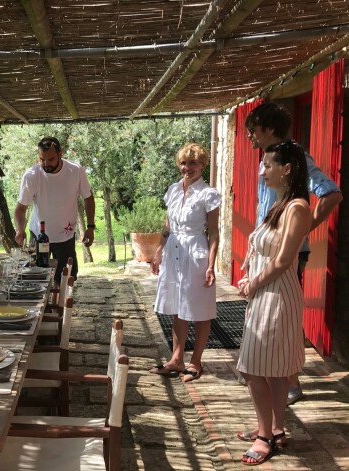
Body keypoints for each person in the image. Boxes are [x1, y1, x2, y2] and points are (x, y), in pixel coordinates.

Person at [245, 102, 343, 405]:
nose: (250, 137)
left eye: (254, 131)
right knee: (268, 318)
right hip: (266, 248)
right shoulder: (268, 160)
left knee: (281, 318)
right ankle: (283, 380)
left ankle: (288, 383)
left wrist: (304, 227)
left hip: (285, 253)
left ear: (270, 129)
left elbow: (331, 192)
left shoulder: (294, 158)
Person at [236, 140, 311, 465]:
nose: (262, 171)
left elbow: (282, 261)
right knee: (271, 370)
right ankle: (275, 428)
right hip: (267, 293)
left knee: (255, 369)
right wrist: (249, 277)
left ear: (287, 169)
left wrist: (253, 282)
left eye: (268, 165)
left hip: (277, 295)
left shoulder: (297, 208)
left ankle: (266, 436)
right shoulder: (280, 204)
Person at [148, 143, 220, 383]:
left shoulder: (208, 194)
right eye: (183, 163)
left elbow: (214, 233)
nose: (186, 168)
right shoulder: (173, 190)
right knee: (178, 305)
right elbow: (167, 226)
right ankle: (176, 358)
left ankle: (196, 361)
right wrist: (159, 249)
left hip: (196, 250)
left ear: (202, 165)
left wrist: (211, 265)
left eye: (192, 163)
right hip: (173, 251)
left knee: (199, 308)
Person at [14, 136, 95, 284]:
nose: (46, 164)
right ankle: (45, 307)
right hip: (39, 235)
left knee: (65, 279)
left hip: (65, 236)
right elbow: (20, 208)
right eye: (41, 159)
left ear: (60, 154)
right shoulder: (31, 175)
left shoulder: (76, 171)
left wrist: (90, 227)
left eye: (50, 159)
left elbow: (88, 198)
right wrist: (20, 229)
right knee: (36, 279)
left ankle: (61, 306)